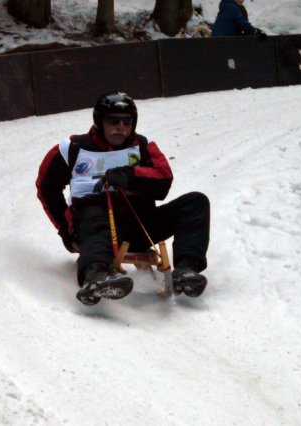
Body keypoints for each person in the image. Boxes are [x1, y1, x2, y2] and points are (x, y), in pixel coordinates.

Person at [36, 91, 210, 306]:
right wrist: (65, 229)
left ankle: (186, 270)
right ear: (100, 121)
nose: (121, 127)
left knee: (196, 202)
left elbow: (163, 180)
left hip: (138, 224)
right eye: (113, 121)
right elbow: (46, 188)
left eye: (127, 122)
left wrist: (130, 177)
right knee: (94, 215)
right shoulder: (72, 149)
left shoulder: (142, 146)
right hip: (94, 227)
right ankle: (96, 276)